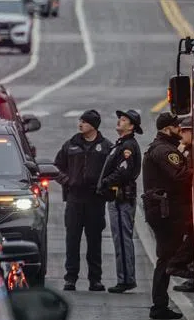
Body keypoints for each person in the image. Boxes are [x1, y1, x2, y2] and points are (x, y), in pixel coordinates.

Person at [141, 112, 194, 320]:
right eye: (176, 126)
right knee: (167, 257)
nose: (179, 130)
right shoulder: (164, 150)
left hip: (164, 210)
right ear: (166, 129)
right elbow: (179, 175)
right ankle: (160, 302)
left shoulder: (163, 148)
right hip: (166, 211)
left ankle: (160, 303)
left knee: (165, 255)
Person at [54, 109, 113, 291]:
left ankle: (95, 279)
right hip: (74, 200)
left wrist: (104, 186)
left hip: (95, 201)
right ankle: (70, 278)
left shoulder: (105, 147)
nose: (80, 124)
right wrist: (68, 181)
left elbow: (112, 171)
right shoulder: (70, 145)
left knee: (94, 241)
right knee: (72, 240)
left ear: (93, 126)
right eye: (80, 121)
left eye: (85, 122)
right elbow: (57, 168)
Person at [97, 109, 143, 293]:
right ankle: (124, 277)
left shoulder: (128, 147)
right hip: (116, 197)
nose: (119, 121)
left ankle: (126, 279)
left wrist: (106, 183)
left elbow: (123, 171)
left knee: (123, 240)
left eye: (123, 120)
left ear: (131, 126)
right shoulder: (121, 144)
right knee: (119, 239)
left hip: (121, 197)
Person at [171, 115, 194, 293]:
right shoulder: (187, 150)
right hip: (187, 204)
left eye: (185, 131)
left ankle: (193, 276)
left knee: (192, 243)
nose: (181, 134)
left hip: (192, 204)